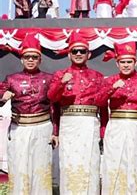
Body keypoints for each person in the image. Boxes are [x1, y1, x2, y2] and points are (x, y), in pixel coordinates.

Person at [47, 32, 107, 195]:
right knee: (69, 165)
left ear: (89, 54)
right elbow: (52, 99)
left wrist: (103, 132)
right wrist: (61, 83)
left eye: (82, 51)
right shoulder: (60, 75)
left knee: (91, 164)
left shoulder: (97, 77)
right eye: (75, 51)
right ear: (69, 54)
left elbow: (103, 107)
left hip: (90, 125)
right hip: (69, 125)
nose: (79, 54)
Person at [97, 41, 137, 194]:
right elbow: (99, 103)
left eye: (129, 62)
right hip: (116, 127)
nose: (126, 65)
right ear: (117, 63)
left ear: (135, 62)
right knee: (115, 164)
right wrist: (111, 89)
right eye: (122, 62)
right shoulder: (110, 81)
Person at [0, 34, 57, 194]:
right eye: (27, 57)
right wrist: (2, 98)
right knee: (19, 168)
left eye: (34, 57)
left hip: (42, 128)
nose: (30, 60)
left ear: (40, 59)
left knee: (41, 169)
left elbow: (55, 106)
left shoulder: (49, 78)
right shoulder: (12, 79)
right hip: (19, 129)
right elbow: (1, 94)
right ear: (21, 59)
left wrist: (55, 131)